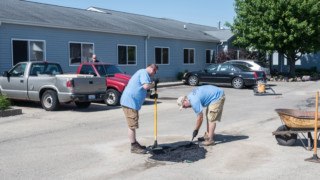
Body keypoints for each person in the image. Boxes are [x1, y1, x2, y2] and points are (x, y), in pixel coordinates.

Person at [120, 64, 159, 154]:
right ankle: (133, 146)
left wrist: (151, 95)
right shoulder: (143, 72)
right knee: (132, 125)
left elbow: (141, 89)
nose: (154, 74)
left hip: (131, 102)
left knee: (133, 124)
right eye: (155, 72)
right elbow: (146, 86)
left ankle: (135, 143)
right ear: (152, 68)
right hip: (130, 102)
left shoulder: (143, 73)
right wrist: (154, 84)